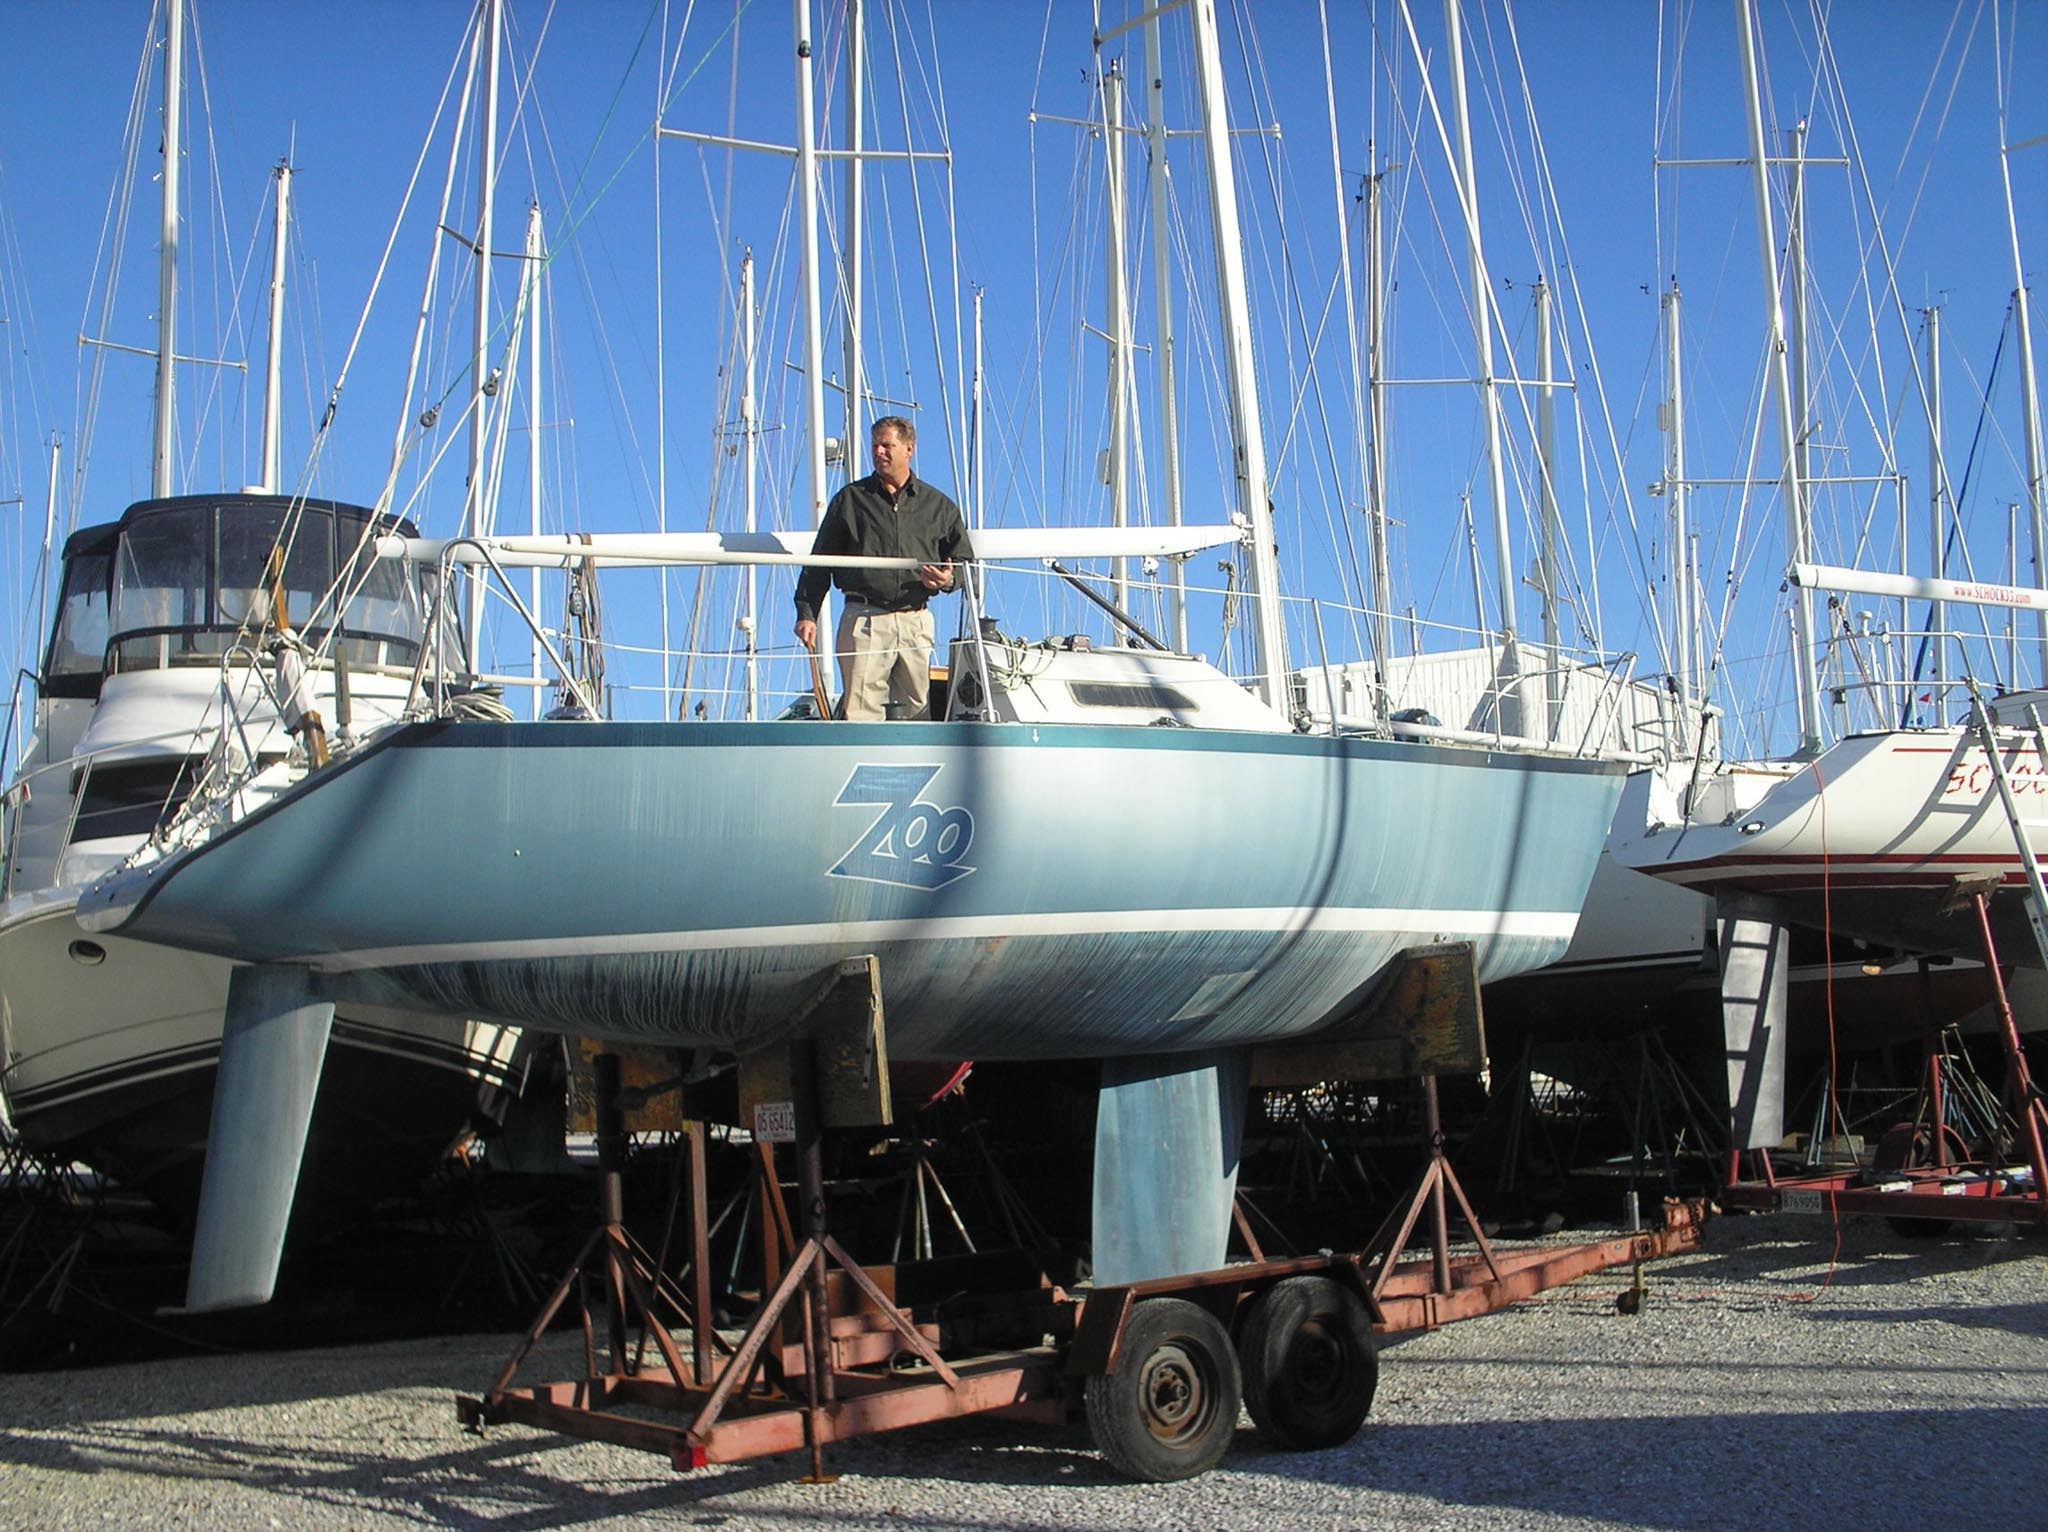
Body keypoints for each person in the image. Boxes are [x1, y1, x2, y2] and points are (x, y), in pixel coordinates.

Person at [793, 416, 972, 721]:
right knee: (861, 714)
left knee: (917, 712)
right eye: (875, 445)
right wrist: (806, 614)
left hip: (915, 621)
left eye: (887, 445)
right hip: (864, 620)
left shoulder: (939, 507)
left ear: (908, 449)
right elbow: (819, 562)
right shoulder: (849, 500)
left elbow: (968, 565)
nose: (879, 452)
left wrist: (947, 580)